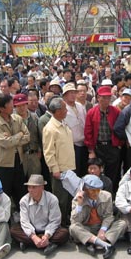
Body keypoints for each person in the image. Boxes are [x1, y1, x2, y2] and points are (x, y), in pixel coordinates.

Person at [70, 174, 126, 259]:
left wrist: (102, 230)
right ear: (84, 189)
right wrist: (80, 205)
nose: (96, 193)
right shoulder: (77, 200)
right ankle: (106, 245)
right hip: (87, 228)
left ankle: (92, 242)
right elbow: (75, 221)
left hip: (102, 226)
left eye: (98, 190)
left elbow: (108, 216)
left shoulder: (107, 195)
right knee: (73, 228)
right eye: (92, 190)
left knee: (122, 223)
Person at [0, 94, 30, 212]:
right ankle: (5, 222)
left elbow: (27, 137)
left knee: (21, 193)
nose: (13, 106)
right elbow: (5, 143)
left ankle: (23, 220)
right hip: (3, 164)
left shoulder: (17, 119)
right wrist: (19, 135)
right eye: (10, 104)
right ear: (2, 108)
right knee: (4, 194)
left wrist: (13, 138)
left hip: (18, 161)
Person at [11, 174, 69, 255]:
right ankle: (48, 244)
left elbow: (55, 221)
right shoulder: (24, 201)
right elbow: (24, 221)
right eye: (29, 187)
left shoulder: (52, 199)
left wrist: (47, 236)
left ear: (42, 187)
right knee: (14, 230)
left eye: (34, 187)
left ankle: (29, 243)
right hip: (31, 230)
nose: (30, 190)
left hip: (47, 229)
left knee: (64, 233)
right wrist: (33, 237)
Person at [42, 97, 76, 227]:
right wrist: (54, 169)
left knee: (68, 198)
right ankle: (59, 225)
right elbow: (48, 151)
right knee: (60, 199)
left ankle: (67, 221)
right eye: (64, 108)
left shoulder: (63, 124)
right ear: (57, 111)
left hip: (69, 168)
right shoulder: (50, 128)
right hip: (59, 170)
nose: (66, 110)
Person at [84, 85, 123, 189]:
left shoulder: (115, 111)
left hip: (112, 146)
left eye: (108, 98)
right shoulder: (91, 113)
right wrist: (91, 150)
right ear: (98, 98)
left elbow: (120, 128)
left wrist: (119, 144)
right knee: (97, 172)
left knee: (113, 172)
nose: (106, 100)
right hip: (98, 147)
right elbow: (88, 132)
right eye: (104, 97)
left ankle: (111, 193)